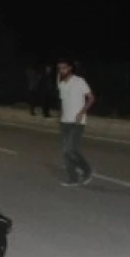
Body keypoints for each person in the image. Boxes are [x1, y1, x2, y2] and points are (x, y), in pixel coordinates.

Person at [56, 58, 96, 186]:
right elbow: (63, 101)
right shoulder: (61, 84)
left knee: (71, 149)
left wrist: (81, 112)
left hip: (77, 121)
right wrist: (61, 117)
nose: (61, 70)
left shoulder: (79, 81)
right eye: (59, 68)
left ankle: (87, 170)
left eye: (63, 68)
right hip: (65, 121)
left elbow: (91, 98)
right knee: (66, 151)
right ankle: (72, 178)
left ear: (69, 68)